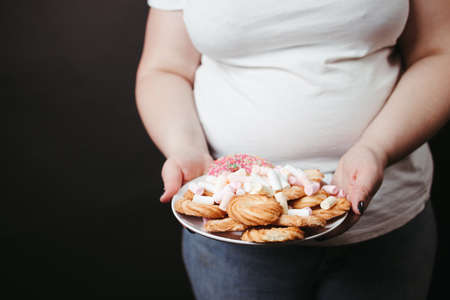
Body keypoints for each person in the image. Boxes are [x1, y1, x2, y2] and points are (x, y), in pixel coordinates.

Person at [135, 0, 450, 299]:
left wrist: (377, 149)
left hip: (387, 222)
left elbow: (438, 53)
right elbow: (165, 67)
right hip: (230, 234)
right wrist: (184, 148)